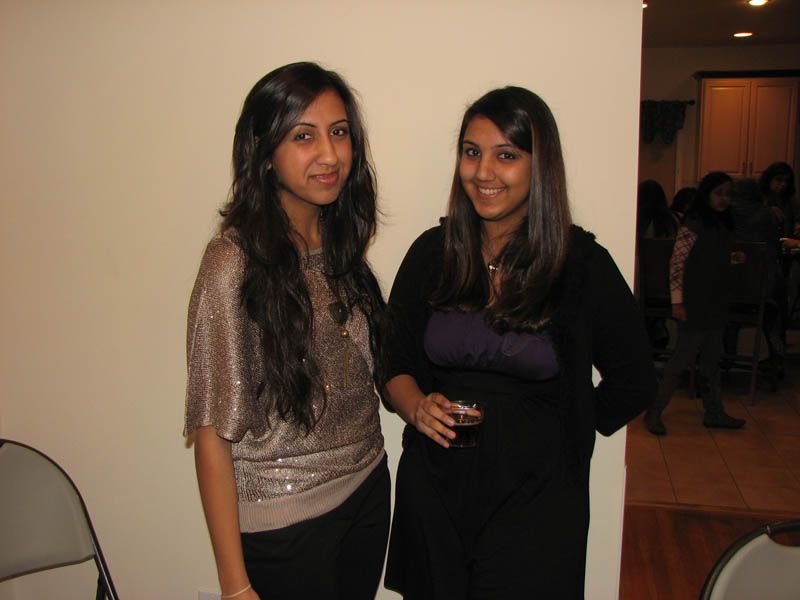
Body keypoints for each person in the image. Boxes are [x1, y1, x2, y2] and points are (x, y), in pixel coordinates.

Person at [382, 86, 656, 599]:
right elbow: (392, 361)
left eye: (506, 155)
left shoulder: (580, 264)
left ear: (539, 165)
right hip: (436, 490)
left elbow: (636, 379)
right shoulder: (431, 254)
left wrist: (564, 430)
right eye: (472, 152)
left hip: (538, 502)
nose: (483, 172)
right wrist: (415, 406)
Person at [184, 62, 389, 600]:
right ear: (264, 152)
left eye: (339, 132)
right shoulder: (232, 262)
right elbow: (212, 433)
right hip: (286, 523)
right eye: (303, 136)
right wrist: (235, 587)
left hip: (368, 491)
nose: (330, 155)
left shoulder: (341, 245)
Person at [644, 172, 746, 436]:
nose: (724, 199)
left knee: (712, 361)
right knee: (680, 360)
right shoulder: (694, 223)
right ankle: (654, 410)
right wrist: (677, 300)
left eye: (728, 194)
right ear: (707, 194)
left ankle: (714, 412)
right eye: (718, 193)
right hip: (696, 301)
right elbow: (677, 264)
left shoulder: (726, 224)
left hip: (717, 301)